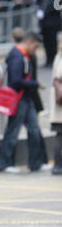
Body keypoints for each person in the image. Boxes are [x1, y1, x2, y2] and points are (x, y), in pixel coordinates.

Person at [0, 31, 51, 174]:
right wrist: (34, 84)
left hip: (26, 99)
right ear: (29, 42)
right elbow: (15, 80)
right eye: (36, 46)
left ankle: (36, 163)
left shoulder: (22, 55)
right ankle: (4, 163)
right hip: (19, 100)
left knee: (34, 132)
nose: (36, 50)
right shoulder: (17, 56)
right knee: (13, 132)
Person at [50, 35, 62, 175]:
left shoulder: (58, 54)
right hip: (60, 105)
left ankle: (58, 165)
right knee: (59, 134)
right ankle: (58, 165)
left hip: (58, 101)